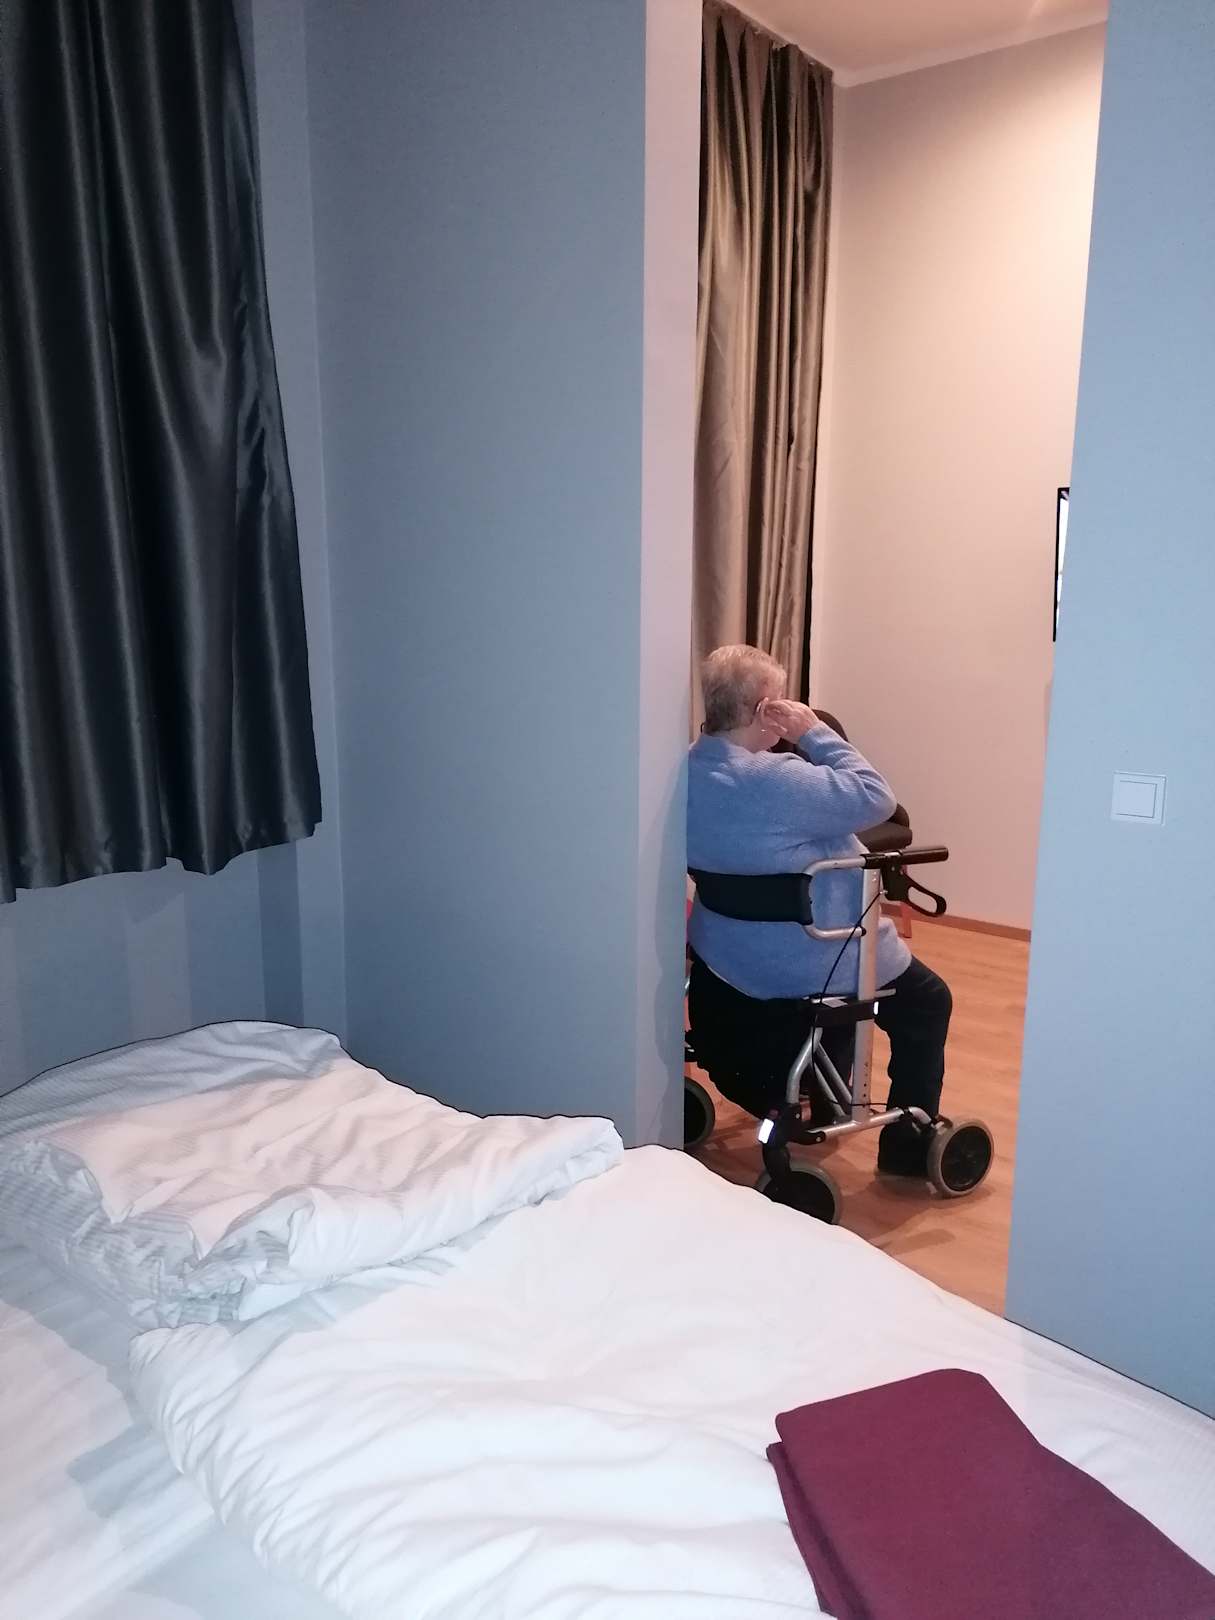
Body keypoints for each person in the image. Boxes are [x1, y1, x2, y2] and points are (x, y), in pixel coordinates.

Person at [687, 644, 952, 1177]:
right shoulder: (778, 778)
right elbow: (877, 798)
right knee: (928, 1001)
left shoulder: (684, 770)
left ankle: (828, 1094)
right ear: (765, 709)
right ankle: (906, 1147)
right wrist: (812, 730)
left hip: (727, 955)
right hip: (812, 954)